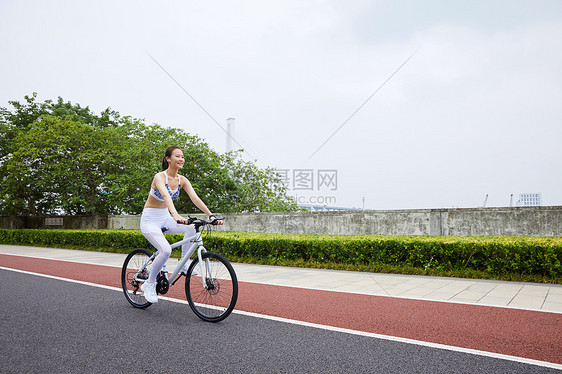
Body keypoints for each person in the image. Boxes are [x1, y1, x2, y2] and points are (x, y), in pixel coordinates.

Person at [140, 145, 222, 303]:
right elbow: (166, 195)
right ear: (168, 159)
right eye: (177, 156)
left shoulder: (182, 180)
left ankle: (184, 264)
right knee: (165, 250)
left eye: (182, 156)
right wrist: (176, 215)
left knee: (192, 226)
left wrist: (210, 215)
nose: (181, 159)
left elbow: (195, 198)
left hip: (165, 217)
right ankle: (149, 284)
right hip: (150, 219)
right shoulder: (159, 177)